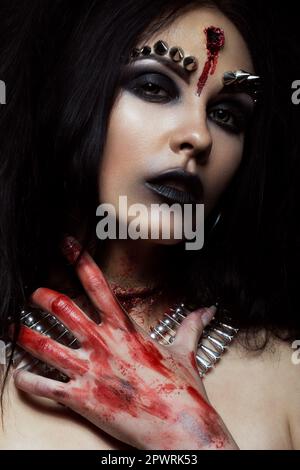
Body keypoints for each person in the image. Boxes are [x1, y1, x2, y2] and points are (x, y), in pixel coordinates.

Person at [0, 0, 299, 450]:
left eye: (226, 115)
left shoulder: (286, 373)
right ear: (67, 94)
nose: (199, 136)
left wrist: (197, 440)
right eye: (155, 87)